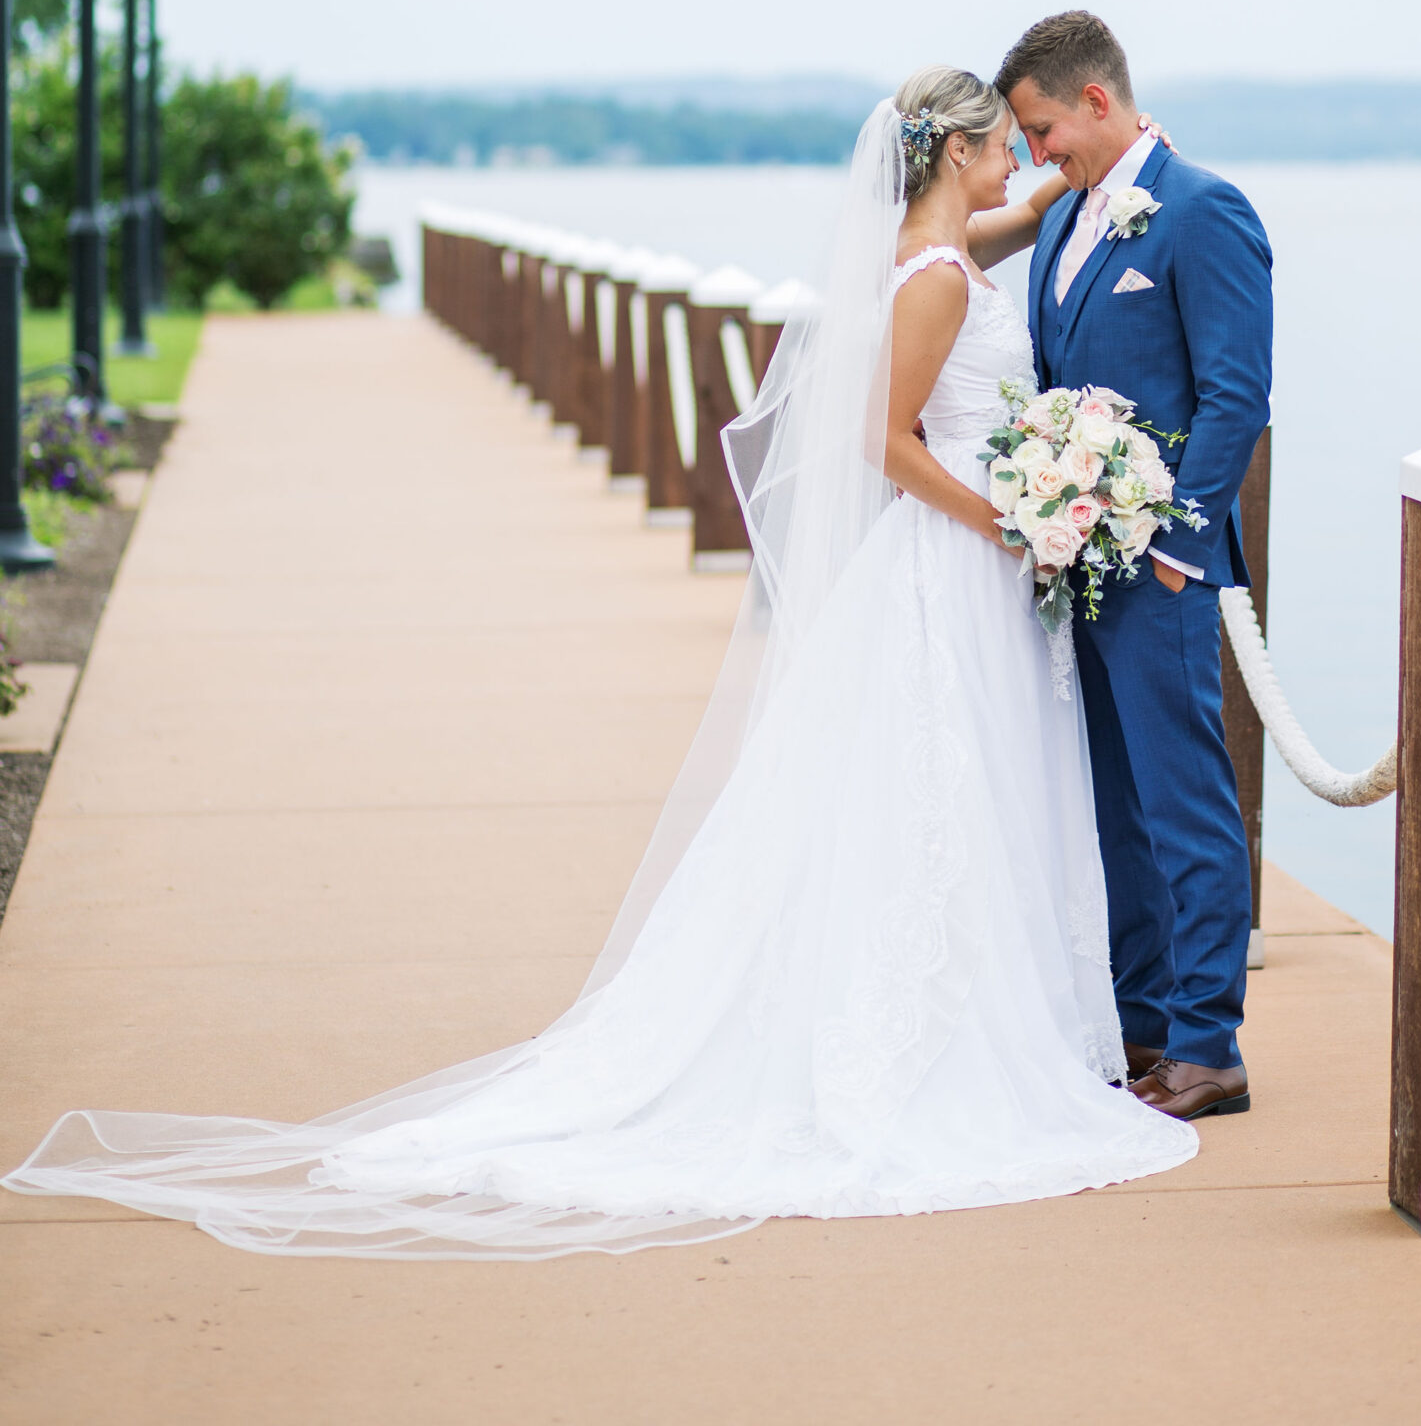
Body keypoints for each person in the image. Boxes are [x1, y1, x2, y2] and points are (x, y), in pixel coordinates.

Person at [4, 69, 1197, 1259]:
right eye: (1003, 146)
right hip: (954, 559)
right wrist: (1009, 517)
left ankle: (962, 1014)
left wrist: (1081, 174)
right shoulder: (935, 279)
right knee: (952, 793)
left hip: (960, 564)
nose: (1015, 162)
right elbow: (887, 446)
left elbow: (1000, 222)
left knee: (946, 800)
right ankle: (947, 1038)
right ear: (952, 155)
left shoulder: (931, 245)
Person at [998, 11, 1274, 1122]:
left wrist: (1176, 553)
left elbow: (1235, 396)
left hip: (1156, 568)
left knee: (1185, 803)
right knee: (1115, 808)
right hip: (1081, 569)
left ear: (1099, 102)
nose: (1035, 155)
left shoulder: (1203, 213)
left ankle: (1210, 1043)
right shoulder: (1064, 214)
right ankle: (1144, 1022)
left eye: (1044, 129)